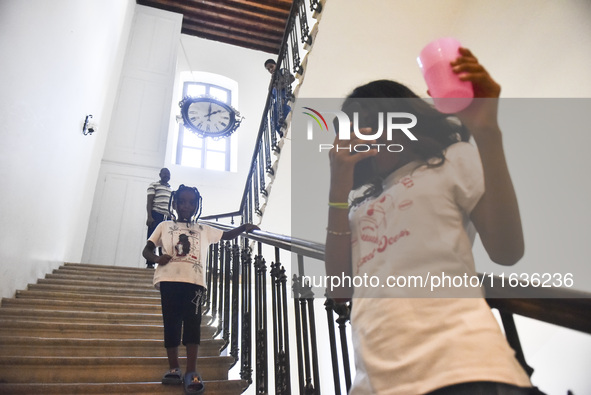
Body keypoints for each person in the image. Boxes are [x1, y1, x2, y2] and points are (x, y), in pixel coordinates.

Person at [324, 48, 536, 394]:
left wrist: (486, 131)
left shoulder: (452, 159)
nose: (364, 132)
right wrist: (337, 189)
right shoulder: (360, 206)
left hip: (462, 365)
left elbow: (507, 250)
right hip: (375, 382)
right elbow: (339, 290)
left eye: (372, 119)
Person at [142, 184, 258, 394]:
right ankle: (174, 367)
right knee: (171, 323)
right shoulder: (164, 226)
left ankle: (191, 371)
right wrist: (158, 258)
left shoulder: (203, 229)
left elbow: (227, 235)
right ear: (175, 203)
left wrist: (244, 227)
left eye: (191, 202)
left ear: (197, 206)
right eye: (182, 202)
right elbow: (147, 250)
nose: (186, 206)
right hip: (168, 280)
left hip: (195, 284)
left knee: (193, 326)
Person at [146, 168, 172, 268]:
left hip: (168, 217)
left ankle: (163, 262)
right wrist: (149, 216)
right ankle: (150, 263)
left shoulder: (170, 189)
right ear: (160, 174)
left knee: (166, 239)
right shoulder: (153, 185)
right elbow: (149, 202)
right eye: (165, 173)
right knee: (153, 239)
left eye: (168, 174)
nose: (167, 175)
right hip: (156, 214)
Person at [265, 58, 295, 138]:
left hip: (284, 97)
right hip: (277, 102)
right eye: (268, 69)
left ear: (276, 65)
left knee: (285, 113)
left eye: (271, 67)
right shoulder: (273, 78)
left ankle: (289, 128)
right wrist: (272, 79)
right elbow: (270, 90)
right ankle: (282, 133)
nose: (270, 70)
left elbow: (292, 78)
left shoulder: (281, 71)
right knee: (273, 120)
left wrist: (281, 87)